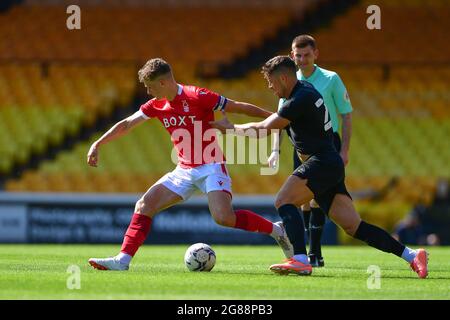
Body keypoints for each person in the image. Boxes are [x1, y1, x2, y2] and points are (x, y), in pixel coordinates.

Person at [210, 55, 428, 278]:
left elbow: (265, 128)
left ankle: (300, 260)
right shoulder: (304, 90)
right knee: (354, 227)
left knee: (283, 201)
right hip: (328, 164)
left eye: (271, 81)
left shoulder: (299, 98)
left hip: (320, 162)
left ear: (283, 78)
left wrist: (231, 129)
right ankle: (412, 255)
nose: (269, 87)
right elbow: (276, 121)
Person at [87, 58, 293, 271]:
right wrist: (98, 143)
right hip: (184, 169)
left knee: (224, 218)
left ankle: (277, 230)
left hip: (211, 165)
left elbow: (239, 107)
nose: (148, 92)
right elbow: (127, 123)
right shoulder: (155, 105)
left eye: (150, 87)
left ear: (163, 83)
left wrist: (277, 118)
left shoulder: (198, 96)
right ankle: (122, 260)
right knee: (144, 205)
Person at [268, 35, 353, 267]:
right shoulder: (287, 81)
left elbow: (346, 115)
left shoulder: (330, 78)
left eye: (307, 55)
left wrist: (344, 150)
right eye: (298, 55)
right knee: (303, 200)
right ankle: (305, 252)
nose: (303, 59)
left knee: (316, 199)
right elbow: (280, 120)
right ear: (292, 55)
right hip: (301, 145)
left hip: (328, 144)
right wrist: (275, 150)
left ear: (316, 54)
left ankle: (314, 251)